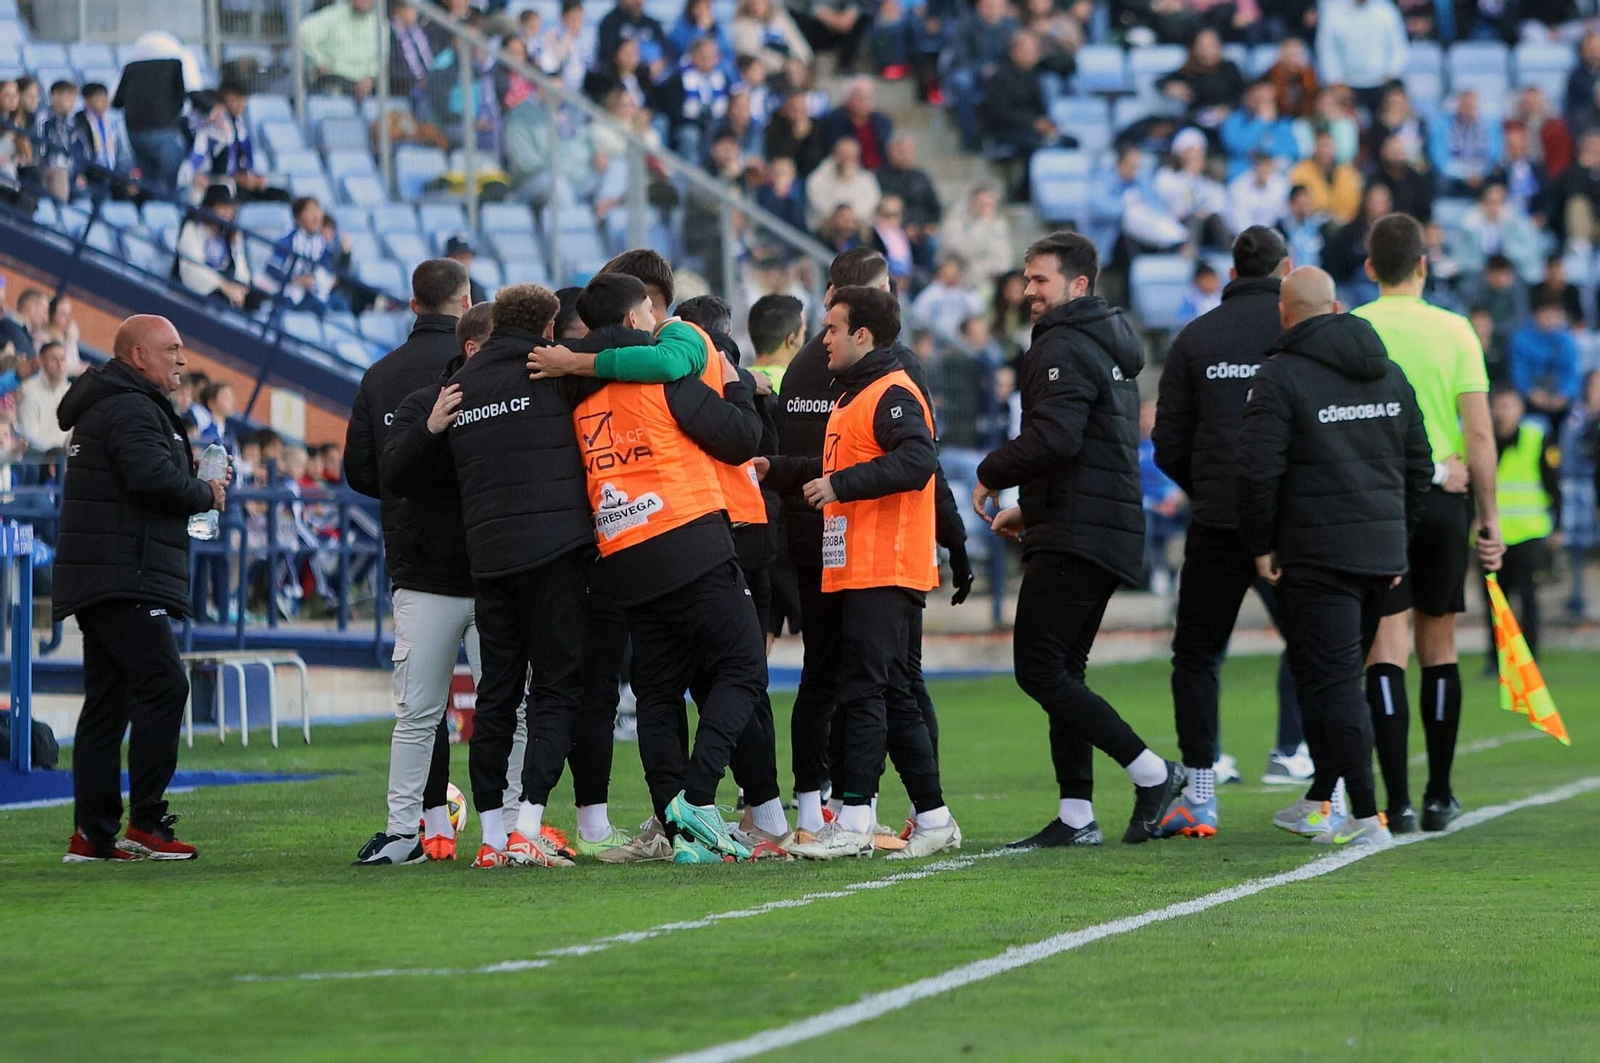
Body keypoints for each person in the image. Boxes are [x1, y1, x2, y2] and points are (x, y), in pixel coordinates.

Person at [971, 231, 1187, 849]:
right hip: (1096, 523)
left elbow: (1057, 438)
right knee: (1063, 672)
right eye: (1026, 278)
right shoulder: (1102, 343)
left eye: (1040, 280)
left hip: (1081, 530)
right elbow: (1081, 443)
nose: (1028, 290)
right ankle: (1075, 816)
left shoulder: (1063, 344)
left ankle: (1153, 773)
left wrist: (993, 474)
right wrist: (1032, 510)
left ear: (1078, 285)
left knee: (1039, 670)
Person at [544, 275, 769, 863]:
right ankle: (697, 799)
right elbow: (741, 439)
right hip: (689, 539)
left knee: (658, 693)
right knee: (744, 667)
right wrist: (736, 381)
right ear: (635, 317)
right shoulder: (667, 378)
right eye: (648, 309)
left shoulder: (578, 393)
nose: (654, 317)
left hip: (623, 555)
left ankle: (681, 835)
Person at [761, 249, 969, 844]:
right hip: (859, 561)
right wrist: (772, 467)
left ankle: (854, 817)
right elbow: (830, 466)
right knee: (894, 692)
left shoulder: (893, 390)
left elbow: (917, 461)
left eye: (830, 328)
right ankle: (932, 819)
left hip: (886, 560)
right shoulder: (855, 392)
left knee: (865, 689)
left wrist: (840, 486)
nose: (820, 336)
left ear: (862, 334)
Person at [1238, 266, 1432, 848]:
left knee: (1335, 681)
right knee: (1325, 676)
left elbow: (1256, 473)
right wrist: (1399, 537)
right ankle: (1322, 797)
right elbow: (1419, 466)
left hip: (1318, 556)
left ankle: (1368, 817)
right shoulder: (1390, 372)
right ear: (1338, 305)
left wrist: (1260, 544)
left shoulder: (1280, 376)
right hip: (1381, 554)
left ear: (1285, 313)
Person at [1155, 227, 1314, 838]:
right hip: (1285, 525)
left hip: (1217, 524)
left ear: (1232, 269)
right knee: (1319, 650)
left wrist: (1213, 487)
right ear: (1286, 269)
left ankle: (1200, 794)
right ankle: (1331, 789)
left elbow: (1167, 442)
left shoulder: (1195, 338)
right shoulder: (1296, 336)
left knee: (1195, 655)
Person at [54, 315, 228, 862]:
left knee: (108, 703)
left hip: (103, 571)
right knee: (164, 685)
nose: (181, 359)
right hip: (125, 572)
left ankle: (93, 834)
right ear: (138, 356)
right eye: (172, 349)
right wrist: (203, 490)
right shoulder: (130, 406)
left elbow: (143, 469)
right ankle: (146, 822)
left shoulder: (114, 403)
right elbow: (149, 478)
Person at [1354, 212, 1504, 836]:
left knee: (1383, 651)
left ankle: (1399, 801)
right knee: (1438, 647)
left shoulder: (1353, 327)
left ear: (1369, 269)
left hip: (1379, 501)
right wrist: (1490, 519)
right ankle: (1441, 795)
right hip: (1445, 502)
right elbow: (1479, 431)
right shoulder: (1456, 330)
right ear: (1424, 264)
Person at [343, 262, 485, 865]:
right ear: (467, 301)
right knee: (506, 702)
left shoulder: (380, 376)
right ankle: (512, 827)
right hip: (489, 557)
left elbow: (360, 471)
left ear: (411, 303)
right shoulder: (486, 373)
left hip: (419, 563)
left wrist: (413, 490)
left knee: (419, 710)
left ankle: (421, 827)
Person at [1486, 385, 1559, 670]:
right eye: (1499, 405)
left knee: (1529, 599)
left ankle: (1530, 656)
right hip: (1492, 535)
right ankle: (1496, 659)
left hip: (1529, 532)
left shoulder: (1535, 439)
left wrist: (1558, 527)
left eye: (1509, 405)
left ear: (1520, 409)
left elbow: (1553, 484)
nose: (1503, 411)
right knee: (1495, 602)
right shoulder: (1480, 440)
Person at [112, 38, 192, 191]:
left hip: (134, 133)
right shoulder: (175, 65)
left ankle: (152, 210)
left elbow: (117, 101)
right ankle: (176, 213)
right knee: (177, 183)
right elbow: (183, 96)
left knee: (150, 184)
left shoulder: (131, 67)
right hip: (163, 131)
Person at [1314, 0, 1407, 116]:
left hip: (1381, 83)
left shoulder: (1386, 10)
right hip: (1346, 85)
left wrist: (1392, 73)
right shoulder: (1333, 11)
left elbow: (1399, 45)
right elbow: (1326, 49)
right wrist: (1335, 80)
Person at [175, 184, 259, 311]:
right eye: (222, 207)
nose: (227, 212)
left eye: (230, 208)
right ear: (210, 206)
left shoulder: (232, 233)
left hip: (227, 284)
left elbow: (240, 263)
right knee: (219, 301)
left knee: (256, 300)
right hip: (205, 287)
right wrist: (223, 285)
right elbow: (192, 268)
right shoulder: (193, 228)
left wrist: (241, 286)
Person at [263, 196, 346, 315]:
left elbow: (328, 271)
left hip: (313, 292)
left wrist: (315, 279)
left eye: (317, 209)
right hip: (290, 293)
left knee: (341, 304)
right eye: (310, 210)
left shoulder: (322, 243)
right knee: (320, 308)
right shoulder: (287, 240)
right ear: (298, 217)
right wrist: (297, 280)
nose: (316, 215)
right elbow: (272, 269)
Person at [1508, 297, 1582, 427]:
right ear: (1536, 315)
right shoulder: (1521, 340)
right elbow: (1518, 371)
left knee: (1576, 418)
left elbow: (1572, 372)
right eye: (1546, 314)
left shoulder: (1567, 340)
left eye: (1555, 315)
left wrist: (1564, 393)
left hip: (1560, 399)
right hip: (1530, 397)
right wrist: (1530, 392)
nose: (1551, 319)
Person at [297, 0, 382, 99]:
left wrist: (371, 77)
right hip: (334, 80)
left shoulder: (380, 25)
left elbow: (380, 58)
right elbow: (302, 33)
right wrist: (319, 61)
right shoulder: (333, 16)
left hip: (367, 86)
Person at [15, 339, 72, 458]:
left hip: (60, 462)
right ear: (41, 361)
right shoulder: (29, 390)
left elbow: (73, 435)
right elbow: (29, 437)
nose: (60, 365)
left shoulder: (70, 392)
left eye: (63, 359)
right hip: (35, 461)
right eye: (54, 359)